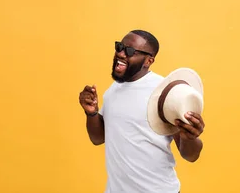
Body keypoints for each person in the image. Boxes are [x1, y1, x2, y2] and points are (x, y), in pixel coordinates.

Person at [78, 29, 205, 193]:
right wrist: (92, 113)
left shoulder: (164, 93)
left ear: (148, 61)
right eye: (119, 47)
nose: (121, 54)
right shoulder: (113, 90)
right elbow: (98, 138)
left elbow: (190, 155)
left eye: (129, 51)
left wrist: (191, 137)